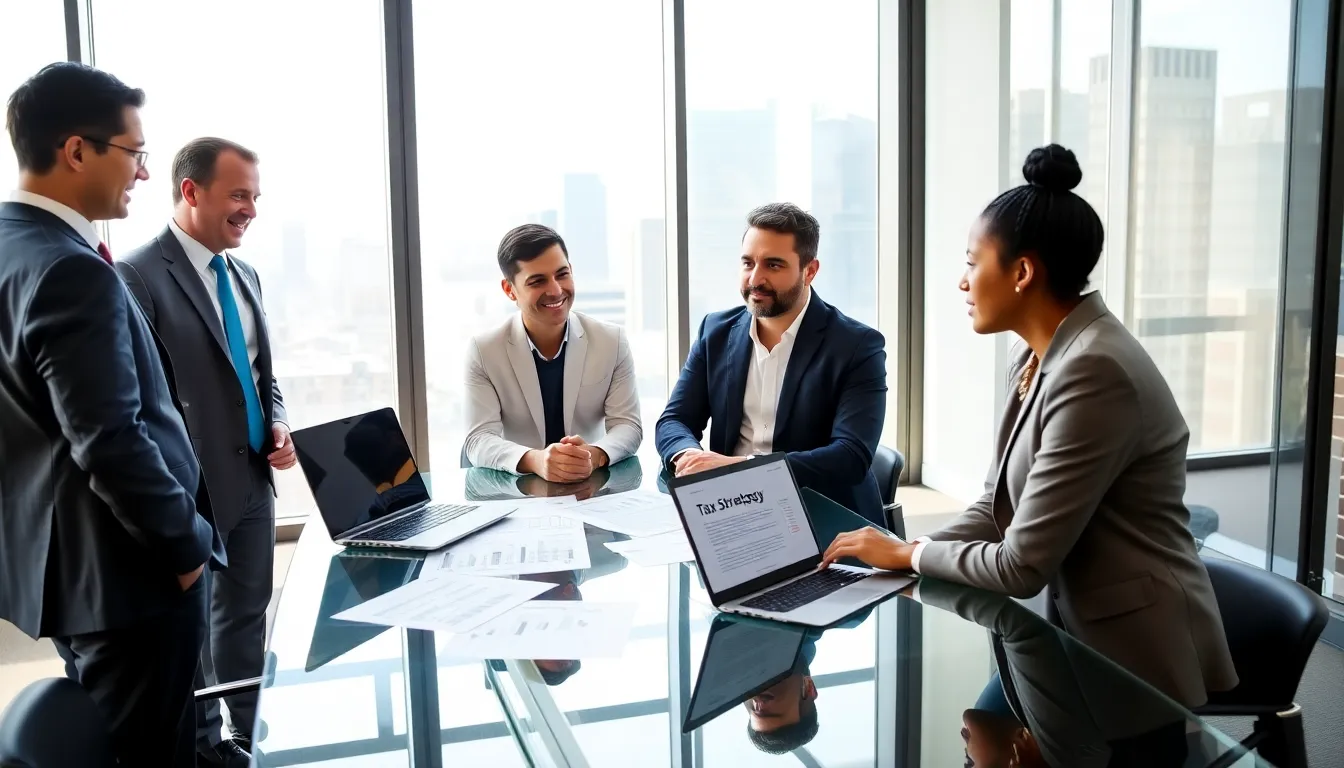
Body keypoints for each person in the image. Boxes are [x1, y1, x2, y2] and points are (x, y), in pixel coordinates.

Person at [820, 145, 1238, 707]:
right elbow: (998, 502)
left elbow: (1021, 565)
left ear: (1021, 272)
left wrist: (907, 555)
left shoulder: (1095, 369)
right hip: (1062, 635)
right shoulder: (1039, 355)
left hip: (1131, 659)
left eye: (972, 261)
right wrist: (904, 551)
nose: (963, 282)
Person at [0, 62, 223, 766]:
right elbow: (110, 438)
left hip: (66, 571)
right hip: (132, 582)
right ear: (76, 151)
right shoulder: (71, 270)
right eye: (134, 153)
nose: (144, 173)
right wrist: (184, 550)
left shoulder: (12, 246)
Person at [116, 137, 294, 767]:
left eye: (255, 196)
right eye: (238, 195)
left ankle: (247, 741)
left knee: (246, 620)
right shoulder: (135, 275)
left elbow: (259, 374)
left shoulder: (244, 275)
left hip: (251, 481)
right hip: (186, 491)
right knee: (191, 637)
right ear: (191, 192)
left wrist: (276, 422)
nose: (250, 209)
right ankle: (203, 751)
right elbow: (135, 396)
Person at [655, 202, 888, 524]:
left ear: (810, 271)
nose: (756, 278)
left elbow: (850, 456)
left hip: (821, 514)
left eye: (773, 265)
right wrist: (690, 456)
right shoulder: (716, 331)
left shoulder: (857, 346)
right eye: (748, 263)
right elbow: (675, 420)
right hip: (730, 510)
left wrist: (737, 468)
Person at [464, 223, 642, 481]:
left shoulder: (611, 341)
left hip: (589, 487)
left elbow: (628, 426)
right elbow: (478, 440)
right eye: (537, 281)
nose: (556, 290)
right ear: (509, 290)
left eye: (562, 274)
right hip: (517, 490)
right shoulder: (484, 350)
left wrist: (595, 455)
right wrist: (535, 460)